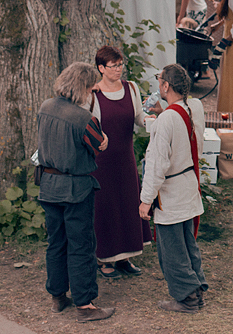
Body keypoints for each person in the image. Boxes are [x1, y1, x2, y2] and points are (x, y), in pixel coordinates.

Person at [37, 62, 114, 322]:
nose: (93, 93)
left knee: (56, 243)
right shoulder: (84, 119)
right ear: (84, 87)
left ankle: (58, 296)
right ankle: (85, 305)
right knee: (81, 246)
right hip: (75, 190)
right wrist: (104, 141)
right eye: (92, 88)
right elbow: (98, 145)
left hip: (48, 186)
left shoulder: (45, 107)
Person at [139, 64, 208, 314]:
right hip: (187, 186)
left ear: (166, 86)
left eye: (160, 80)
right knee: (187, 243)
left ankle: (187, 297)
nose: (159, 84)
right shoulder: (191, 108)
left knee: (172, 249)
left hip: (172, 191)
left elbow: (157, 164)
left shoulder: (167, 118)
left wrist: (146, 199)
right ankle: (196, 288)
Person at [90, 46, 152, 279]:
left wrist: (152, 121)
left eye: (120, 65)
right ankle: (105, 260)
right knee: (106, 208)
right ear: (101, 68)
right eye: (113, 66)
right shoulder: (93, 94)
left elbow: (139, 117)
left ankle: (125, 258)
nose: (118, 69)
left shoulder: (131, 88)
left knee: (127, 206)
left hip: (125, 160)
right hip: (102, 163)